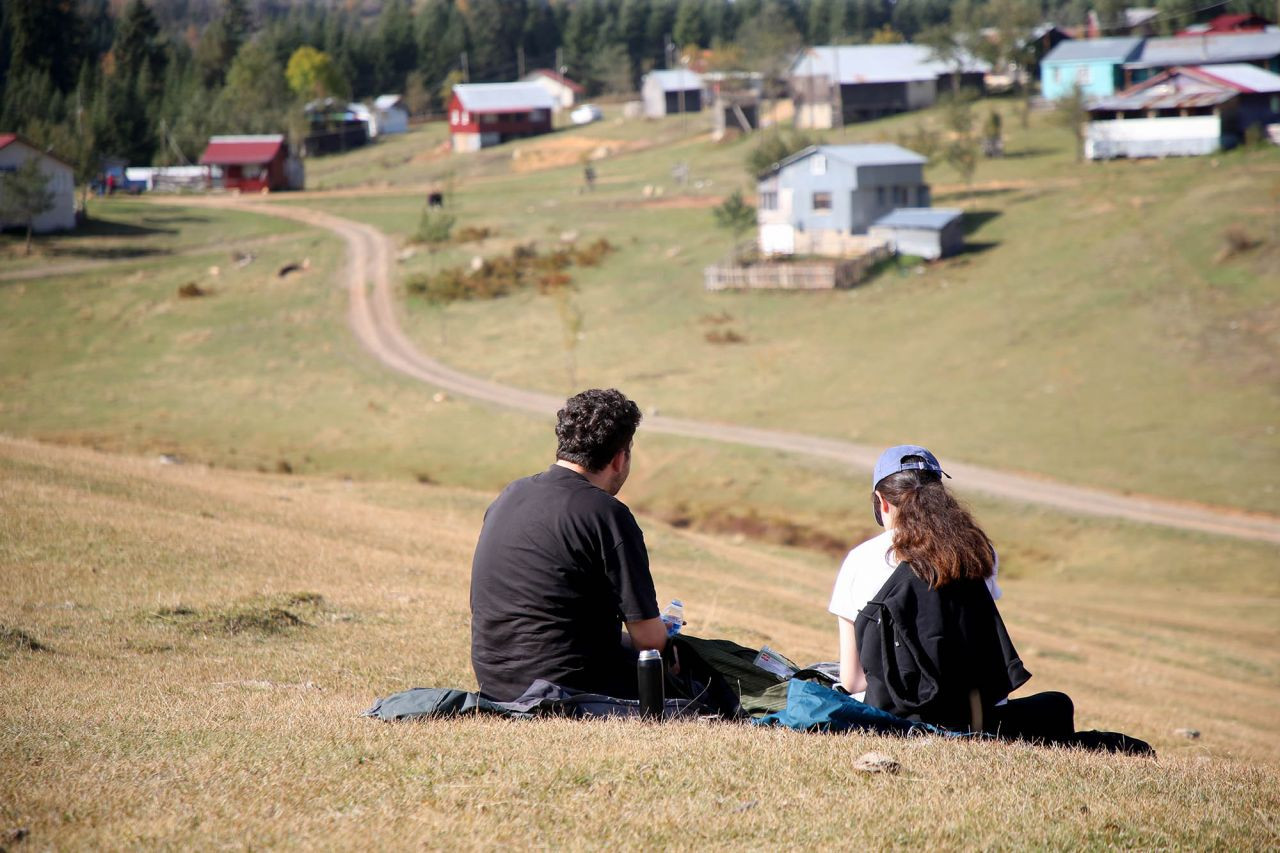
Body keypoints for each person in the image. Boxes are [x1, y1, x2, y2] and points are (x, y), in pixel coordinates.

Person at [829, 445, 1075, 742]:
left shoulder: (859, 559)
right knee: (1057, 703)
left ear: (881, 503)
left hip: (890, 712)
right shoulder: (977, 552)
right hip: (971, 716)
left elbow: (853, 680)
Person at [469, 388, 668, 703]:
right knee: (694, 674)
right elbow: (650, 639)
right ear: (619, 458)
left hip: (496, 679)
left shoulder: (512, 493)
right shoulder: (607, 514)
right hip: (571, 684)